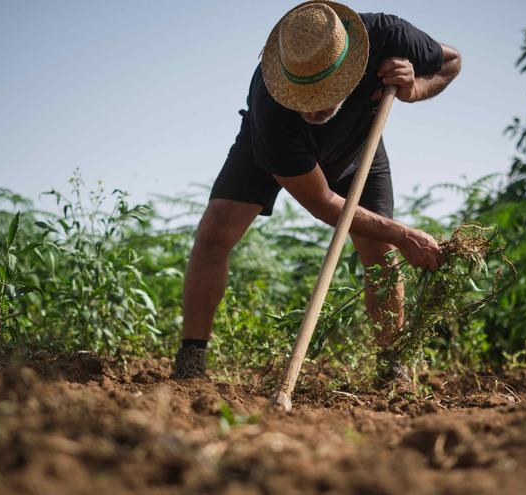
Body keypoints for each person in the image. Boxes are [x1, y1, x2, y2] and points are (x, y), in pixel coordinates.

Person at [171, 1, 461, 381]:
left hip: (359, 145)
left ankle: (393, 369)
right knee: (215, 230)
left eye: (323, 91)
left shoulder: (390, 35)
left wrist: (415, 88)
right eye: (301, 94)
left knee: (380, 252)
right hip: (273, 149)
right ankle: (192, 356)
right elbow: (323, 203)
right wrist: (405, 234)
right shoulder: (273, 110)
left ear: (352, 65)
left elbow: (452, 63)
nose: (311, 107)